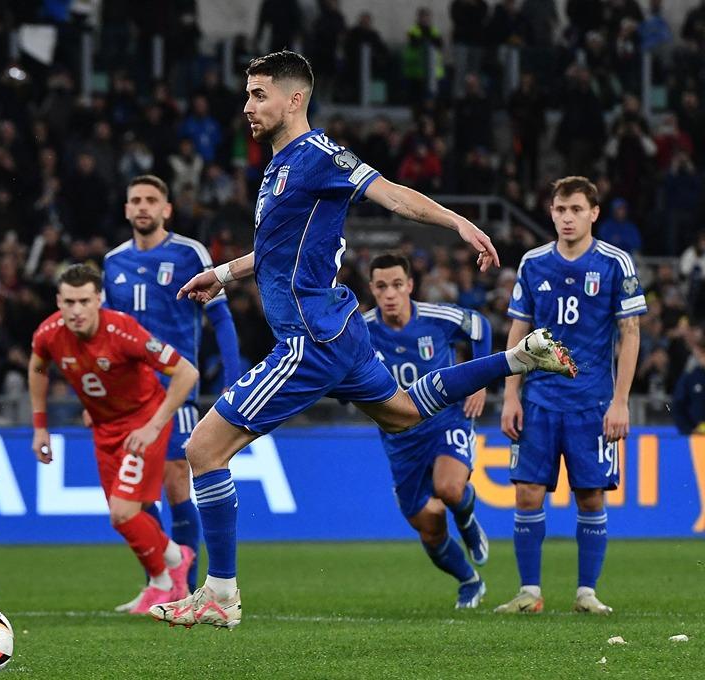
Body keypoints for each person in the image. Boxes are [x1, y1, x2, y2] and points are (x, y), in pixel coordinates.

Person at [152, 50, 577, 629]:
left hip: (311, 338)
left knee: (202, 450)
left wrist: (458, 222)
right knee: (402, 412)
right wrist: (223, 274)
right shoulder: (280, 168)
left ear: (294, 99)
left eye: (259, 94)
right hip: (341, 330)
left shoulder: (317, 155)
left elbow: (393, 193)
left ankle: (221, 594)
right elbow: (278, 252)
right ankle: (518, 357)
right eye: (248, 94)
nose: (248, 106)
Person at [495, 176, 645, 616]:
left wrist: (621, 401)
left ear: (594, 213)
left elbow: (630, 332)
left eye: (576, 209)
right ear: (552, 213)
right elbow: (518, 329)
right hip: (539, 399)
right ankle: (529, 592)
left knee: (591, 496)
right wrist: (510, 395)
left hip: (592, 402)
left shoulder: (616, 263)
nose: (567, 218)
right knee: (526, 493)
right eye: (560, 210)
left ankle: (586, 593)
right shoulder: (533, 263)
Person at [102, 174, 242, 607]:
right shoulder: (113, 262)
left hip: (175, 389)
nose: (142, 207)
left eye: (151, 200)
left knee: (177, 479)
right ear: (126, 209)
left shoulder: (188, 253)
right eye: (135, 200)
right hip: (127, 397)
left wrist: (233, 381)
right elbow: (106, 334)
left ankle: (186, 585)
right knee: (136, 493)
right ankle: (160, 581)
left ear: (166, 209)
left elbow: (220, 318)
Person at [30, 264, 200, 615]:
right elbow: (37, 366)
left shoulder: (123, 331)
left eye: (84, 301)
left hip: (142, 423)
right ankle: (169, 569)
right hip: (104, 428)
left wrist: (154, 426)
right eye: (69, 302)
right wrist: (40, 426)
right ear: (58, 301)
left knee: (122, 513)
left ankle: (168, 572)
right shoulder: (48, 333)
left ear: (99, 300)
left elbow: (186, 372)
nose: (76, 310)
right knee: (126, 513)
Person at [363, 253, 491, 609]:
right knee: (430, 528)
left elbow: (479, 327)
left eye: (397, 285)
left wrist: (480, 382)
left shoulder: (438, 318)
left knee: (448, 489)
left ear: (410, 286)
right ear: (372, 289)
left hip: (445, 421)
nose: (390, 293)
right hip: (400, 441)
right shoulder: (361, 331)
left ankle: (467, 520)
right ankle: (469, 580)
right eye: (382, 286)